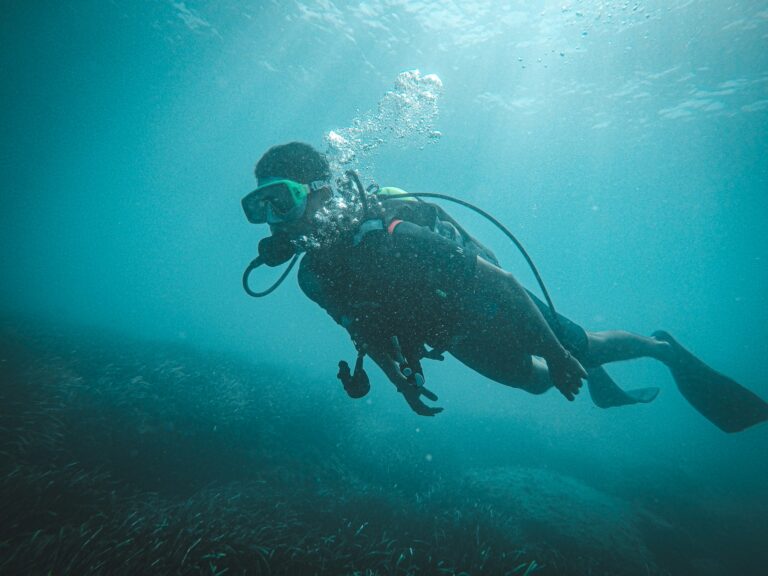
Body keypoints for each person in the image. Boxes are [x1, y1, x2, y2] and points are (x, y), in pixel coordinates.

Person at [241, 142, 768, 433]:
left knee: (582, 348)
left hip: (493, 305)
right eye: (258, 208)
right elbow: (362, 328)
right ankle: (582, 365)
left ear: (320, 191)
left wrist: (559, 353)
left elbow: (506, 282)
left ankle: (661, 349)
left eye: (280, 203)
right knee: (535, 383)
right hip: (452, 335)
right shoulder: (313, 276)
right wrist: (400, 383)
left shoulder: (393, 234)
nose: (274, 223)